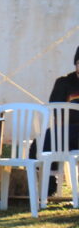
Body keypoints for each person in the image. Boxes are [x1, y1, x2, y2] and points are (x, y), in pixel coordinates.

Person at [32, 46, 79, 198]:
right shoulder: (64, 83)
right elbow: (56, 111)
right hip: (67, 131)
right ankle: (46, 183)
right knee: (40, 143)